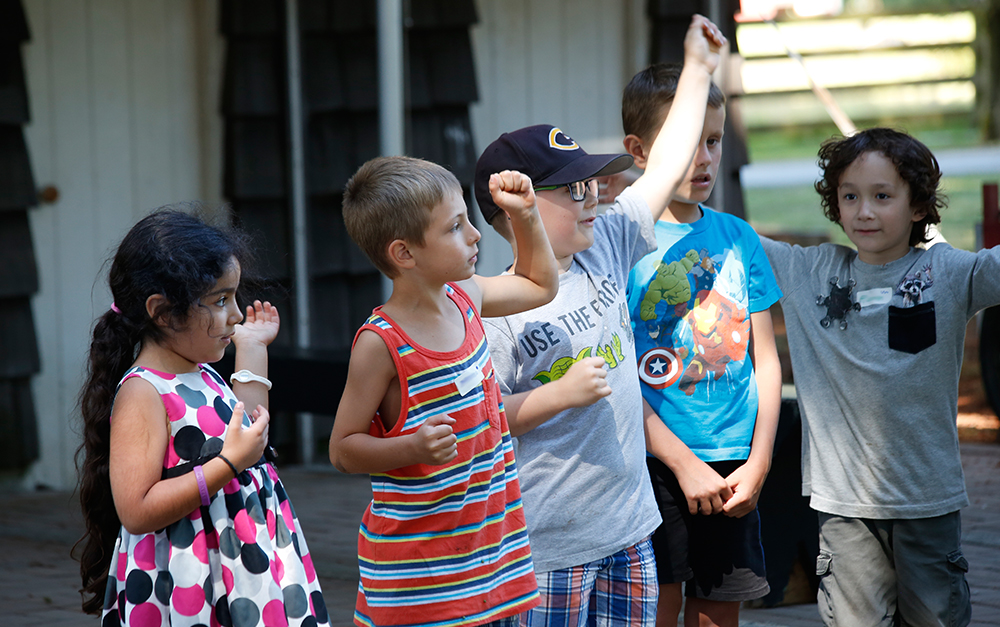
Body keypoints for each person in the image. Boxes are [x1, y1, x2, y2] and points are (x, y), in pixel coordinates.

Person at [474, 16, 726, 627]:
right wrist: (557, 395)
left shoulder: (606, 241)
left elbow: (664, 165)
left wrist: (696, 69)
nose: (594, 197)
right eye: (572, 190)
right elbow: (483, 420)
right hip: (546, 548)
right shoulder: (493, 311)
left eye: (592, 183)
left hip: (632, 529)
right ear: (515, 212)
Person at [759, 127, 997, 626]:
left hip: (927, 502)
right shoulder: (811, 271)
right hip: (842, 509)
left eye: (882, 196)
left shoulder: (950, 273)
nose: (864, 211)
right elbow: (725, 234)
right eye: (850, 196)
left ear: (917, 207)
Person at [328, 156, 560, 627]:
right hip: (419, 580)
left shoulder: (466, 296)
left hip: (492, 561)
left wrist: (527, 215)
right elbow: (342, 450)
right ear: (404, 253)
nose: (475, 235)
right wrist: (409, 446)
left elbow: (540, 285)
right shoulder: (382, 343)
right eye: (456, 227)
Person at [75, 208, 329, 626]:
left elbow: (246, 427)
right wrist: (228, 464)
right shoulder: (145, 391)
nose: (236, 313)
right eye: (220, 300)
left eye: (234, 296)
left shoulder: (202, 369)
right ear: (162, 312)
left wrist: (251, 348)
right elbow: (136, 509)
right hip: (189, 574)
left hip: (243, 559)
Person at [615, 63, 782, 627]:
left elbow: (765, 360)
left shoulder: (739, 237)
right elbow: (613, 378)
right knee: (656, 607)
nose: (706, 158)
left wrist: (759, 460)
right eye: (688, 143)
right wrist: (681, 462)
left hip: (735, 461)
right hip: (653, 464)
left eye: (713, 141)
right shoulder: (618, 243)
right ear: (638, 150)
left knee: (717, 610)